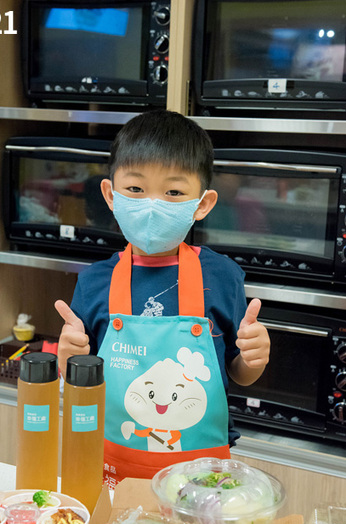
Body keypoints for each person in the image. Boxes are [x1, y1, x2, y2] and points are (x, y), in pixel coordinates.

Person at [55, 110, 270, 485]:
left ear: (202, 204)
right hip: (112, 471)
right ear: (110, 195)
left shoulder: (222, 277)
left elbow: (239, 373)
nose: (152, 205)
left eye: (173, 192)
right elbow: (80, 383)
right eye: (136, 190)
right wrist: (68, 360)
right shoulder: (93, 282)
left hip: (200, 478)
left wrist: (254, 359)